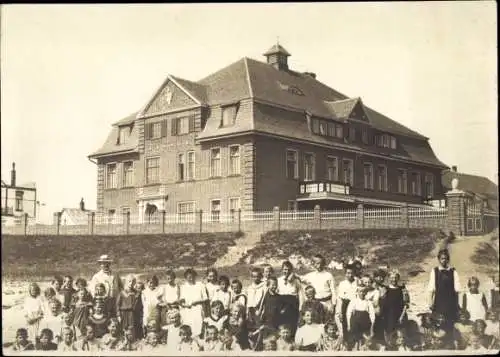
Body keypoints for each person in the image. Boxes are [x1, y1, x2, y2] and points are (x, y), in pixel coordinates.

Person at [428, 248, 461, 345]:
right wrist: (430, 302)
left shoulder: (453, 271)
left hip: (451, 303)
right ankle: (438, 344)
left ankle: (450, 344)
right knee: (439, 324)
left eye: (446, 259)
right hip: (439, 303)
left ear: (448, 259)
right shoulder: (434, 271)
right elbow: (431, 289)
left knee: (450, 324)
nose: (444, 261)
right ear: (438, 259)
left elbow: (457, 290)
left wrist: (457, 304)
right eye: (442, 258)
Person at [298, 254, 337, 320]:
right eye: (316, 263)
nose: (318, 265)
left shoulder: (328, 275)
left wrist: (333, 305)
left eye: (320, 263)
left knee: (327, 322)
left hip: (327, 303)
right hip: (316, 303)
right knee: (317, 322)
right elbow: (301, 278)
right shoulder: (311, 275)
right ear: (314, 264)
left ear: (323, 264)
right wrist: (293, 275)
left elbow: (334, 292)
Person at [381, 269, 409, 342]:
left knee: (401, 335)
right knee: (389, 335)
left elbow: (406, 303)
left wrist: (402, 316)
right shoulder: (385, 289)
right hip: (389, 315)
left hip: (400, 314)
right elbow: (382, 302)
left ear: (398, 278)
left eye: (396, 277)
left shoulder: (402, 289)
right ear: (389, 278)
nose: (394, 279)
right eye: (392, 277)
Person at [180, 268, 208, 338]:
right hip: (187, 311)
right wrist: (184, 305)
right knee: (188, 329)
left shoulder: (200, 285)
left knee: (198, 329)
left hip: (198, 310)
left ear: (195, 276)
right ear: (186, 277)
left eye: (192, 277)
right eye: (189, 277)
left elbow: (205, 298)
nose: (191, 279)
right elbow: (182, 300)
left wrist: (196, 302)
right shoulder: (183, 287)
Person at [277, 260, 301, 337]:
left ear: (291, 270)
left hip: (292, 305)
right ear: (282, 270)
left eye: (288, 269)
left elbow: (300, 294)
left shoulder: (296, 281)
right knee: (282, 325)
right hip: (281, 305)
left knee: (292, 325)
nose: (286, 271)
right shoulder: (279, 280)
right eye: (284, 269)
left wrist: (300, 308)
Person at [116, 274, 143, 340]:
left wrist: (141, 316)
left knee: (132, 328)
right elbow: (117, 305)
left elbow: (140, 306)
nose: (131, 283)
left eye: (133, 281)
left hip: (133, 314)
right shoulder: (122, 293)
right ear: (126, 282)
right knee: (123, 328)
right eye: (129, 281)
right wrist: (118, 315)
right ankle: (123, 341)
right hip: (123, 313)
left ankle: (133, 342)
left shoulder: (137, 293)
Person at [335, 263, 358, 340]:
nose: (350, 275)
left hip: (355, 305)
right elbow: (340, 299)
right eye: (348, 273)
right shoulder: (342, 284)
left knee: (354, 324)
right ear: (345, 273)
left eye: (352, 273)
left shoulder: (357, 282)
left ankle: (355, 341)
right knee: (345, 324)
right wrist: (340, 312)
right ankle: (346, 342)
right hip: (345, 305)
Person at [246, 267, 266, 334]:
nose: (256, 278)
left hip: (259, 310)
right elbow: (248, 301)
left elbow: (264, 299)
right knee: (251, 328)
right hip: (251, 311)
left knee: (259, 328)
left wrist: (261, 310)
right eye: (254, 277)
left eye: (257, 276)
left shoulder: (264, 286)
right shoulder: (249, 287)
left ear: (260, 276)